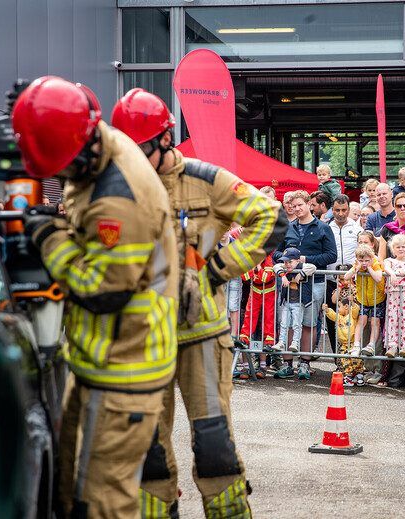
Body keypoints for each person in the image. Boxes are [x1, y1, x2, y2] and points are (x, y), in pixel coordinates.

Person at [111, 87, 287, 517]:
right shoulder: (120, 185)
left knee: (213, 443)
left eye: (139, 150)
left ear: (166, 141)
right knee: (148, 447)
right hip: (143, 339)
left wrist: (214, 270)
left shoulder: (207, 180)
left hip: (202, 337)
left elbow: (272, 218)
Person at [14, 77, 179, 517]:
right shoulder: (93, 152)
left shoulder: (119, 199)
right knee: (72, 490)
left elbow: (99, 292)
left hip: (126, 368)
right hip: (101, 360)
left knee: (104, 502)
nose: (63, 176)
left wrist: (49, 236)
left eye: (64, 166)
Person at [273, 191, 337, 380]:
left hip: (314, 282)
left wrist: (303, 259)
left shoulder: (323, 228)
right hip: (289, 283)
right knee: (289, 322)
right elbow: (275, 254)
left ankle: (305, 363)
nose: (297, 209)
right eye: (294, 206)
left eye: (301, 205)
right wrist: (287, 260)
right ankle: (287, 363)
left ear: (309, 204)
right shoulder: (287, 228)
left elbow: (331, 256)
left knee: (309, 323)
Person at [326, 194, 362, 351]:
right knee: (333, 319)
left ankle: (352, 356)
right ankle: (337, 357)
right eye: (337, 210)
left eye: (344, 210)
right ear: (332, 210)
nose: (340, 213)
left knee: (352, 318)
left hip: (352, 281)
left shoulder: (357, 229)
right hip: (331, 280)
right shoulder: (326, 227)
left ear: (348, 210)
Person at [345, 240, 385, 357]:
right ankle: (356, 345)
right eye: (361, 260)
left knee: (375, 321)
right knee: (361, 321)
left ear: (371, 258)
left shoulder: (375, 263)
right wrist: (355, 269)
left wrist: (369, 268)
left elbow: (378, 278)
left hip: (377, 298)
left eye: (367, 260)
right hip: (363, 298)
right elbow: (347, 276)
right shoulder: (357, 265)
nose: (364, 263)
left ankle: (371, 345)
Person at [273, 247, 316, 354]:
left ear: (298, 260)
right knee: (283, 323)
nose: (287, 264)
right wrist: (282, 276)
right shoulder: (284, 267)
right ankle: (281, 342)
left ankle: (295, 342)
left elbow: (312, 267)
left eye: (290, 262)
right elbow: (276, 266)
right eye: (285, 262)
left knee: (297, 323)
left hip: (298, 302)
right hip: (287, 301)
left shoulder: (302, 266)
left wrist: (301, 274)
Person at [383, 234, 405, 358]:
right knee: (392, 317)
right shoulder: (389, 261)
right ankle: (392, 345)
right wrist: (392, 274)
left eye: (403, 246)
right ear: (393, 249)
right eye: (397, 247)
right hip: (394, 293)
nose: (401, 249)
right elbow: (386, 268)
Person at [323, 299, 364, 387]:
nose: (338, 309)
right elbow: (332, 315)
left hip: (353, 343)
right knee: (345, 360)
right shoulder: (339, 317)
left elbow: (355, 309)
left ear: (346, 307)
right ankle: (348, 376)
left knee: (357, 361)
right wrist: (327, 310)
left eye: (339, 306)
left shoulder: (352, 316)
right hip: (344, 344)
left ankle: (359, 376)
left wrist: (352, 302)